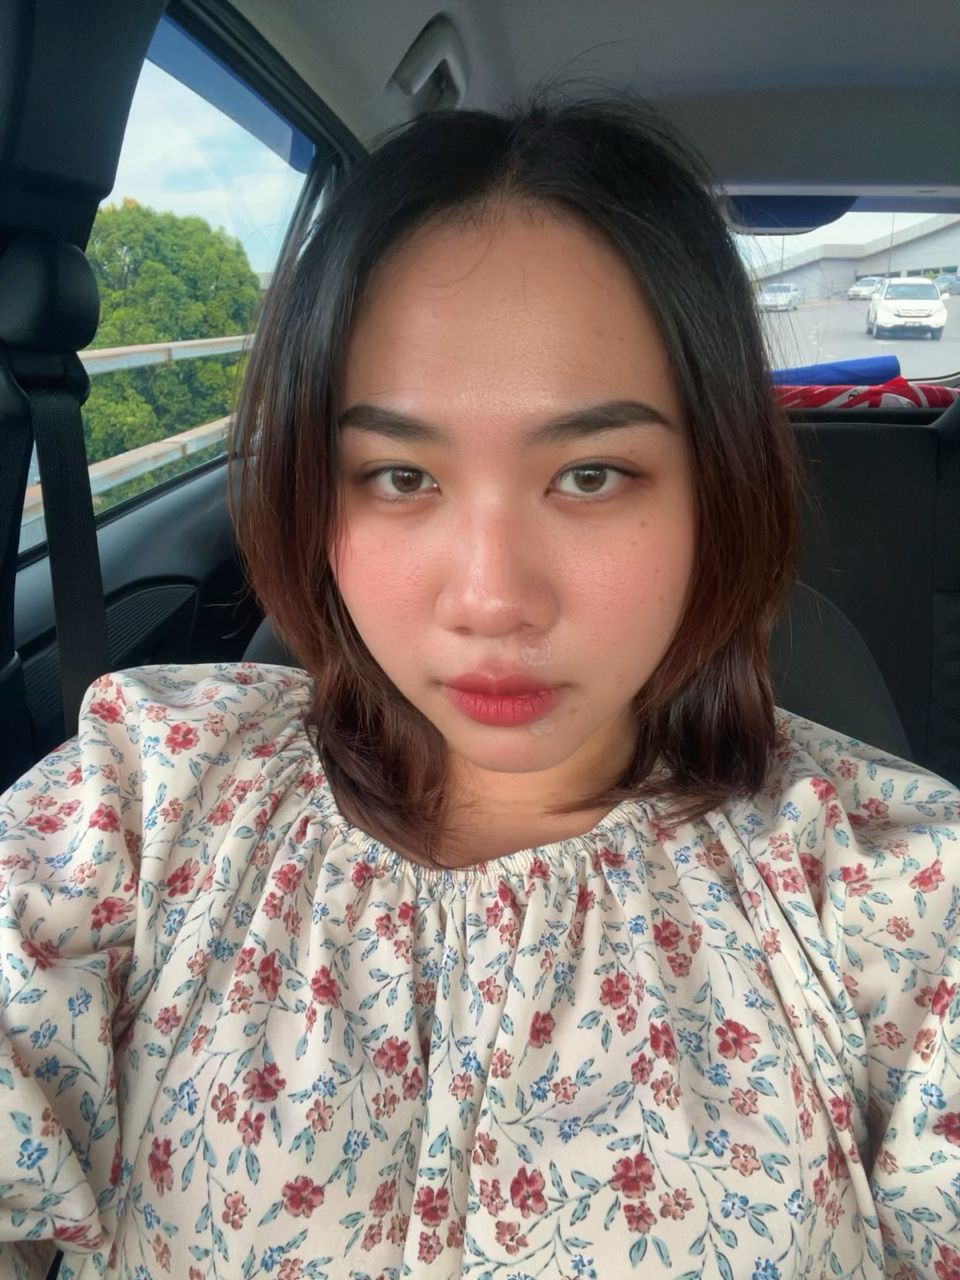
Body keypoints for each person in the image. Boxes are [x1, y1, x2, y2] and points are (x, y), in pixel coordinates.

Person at [0, 97, 956, 1280]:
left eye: (591, 473)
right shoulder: (143, 801)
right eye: (401, 475)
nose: (493, 598)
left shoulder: (900, 890)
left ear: (716, 487)